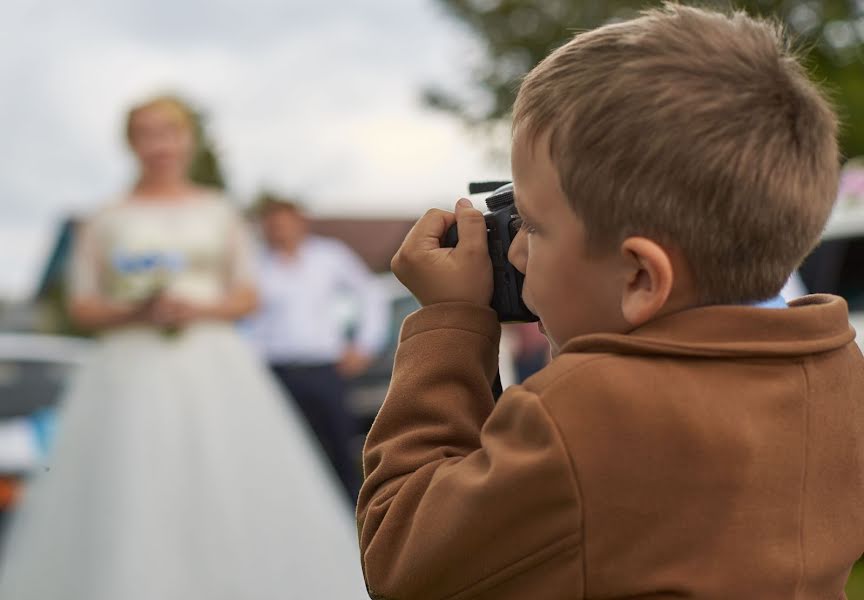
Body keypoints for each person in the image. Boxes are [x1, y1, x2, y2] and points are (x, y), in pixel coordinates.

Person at [357, 6, 864, 599]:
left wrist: (447, 325)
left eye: (535, 228)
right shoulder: (842, 375)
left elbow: (402, 557)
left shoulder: (583, 409)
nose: (514, 251)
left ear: (640, 278)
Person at [0, 95, 367, 599]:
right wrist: (137, 311)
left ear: (186, 139)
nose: (160, 145)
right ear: (131, 144)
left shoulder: (219, 211)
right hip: (129, 365)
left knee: (226, 475)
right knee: (131, 476)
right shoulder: (106, 218)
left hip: (213, 362)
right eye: (147, 133)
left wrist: (198, 310)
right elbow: (83, 305)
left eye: (169, 132)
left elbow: (246, 294)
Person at [244, 194, 388, 502]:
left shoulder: (329, 256)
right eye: (271, 225)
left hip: (325, 368)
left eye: (284, 223)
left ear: (300, 223)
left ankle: (351, 516)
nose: (278, 231)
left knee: (339, 446)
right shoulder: (253, 264)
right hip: (274, 371)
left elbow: (369, 293)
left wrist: (364, 345)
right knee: (283, 449)